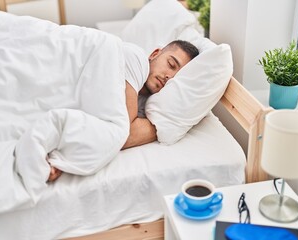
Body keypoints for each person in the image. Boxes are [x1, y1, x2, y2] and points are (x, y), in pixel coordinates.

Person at [48, 40, 199, 182]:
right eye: (171, 64)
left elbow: (110, 134)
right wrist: (162, 126)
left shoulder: (145, 107)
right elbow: (125, 133)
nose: (169, 76)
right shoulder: (134, 58)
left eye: (176, 77)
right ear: (155, 54)